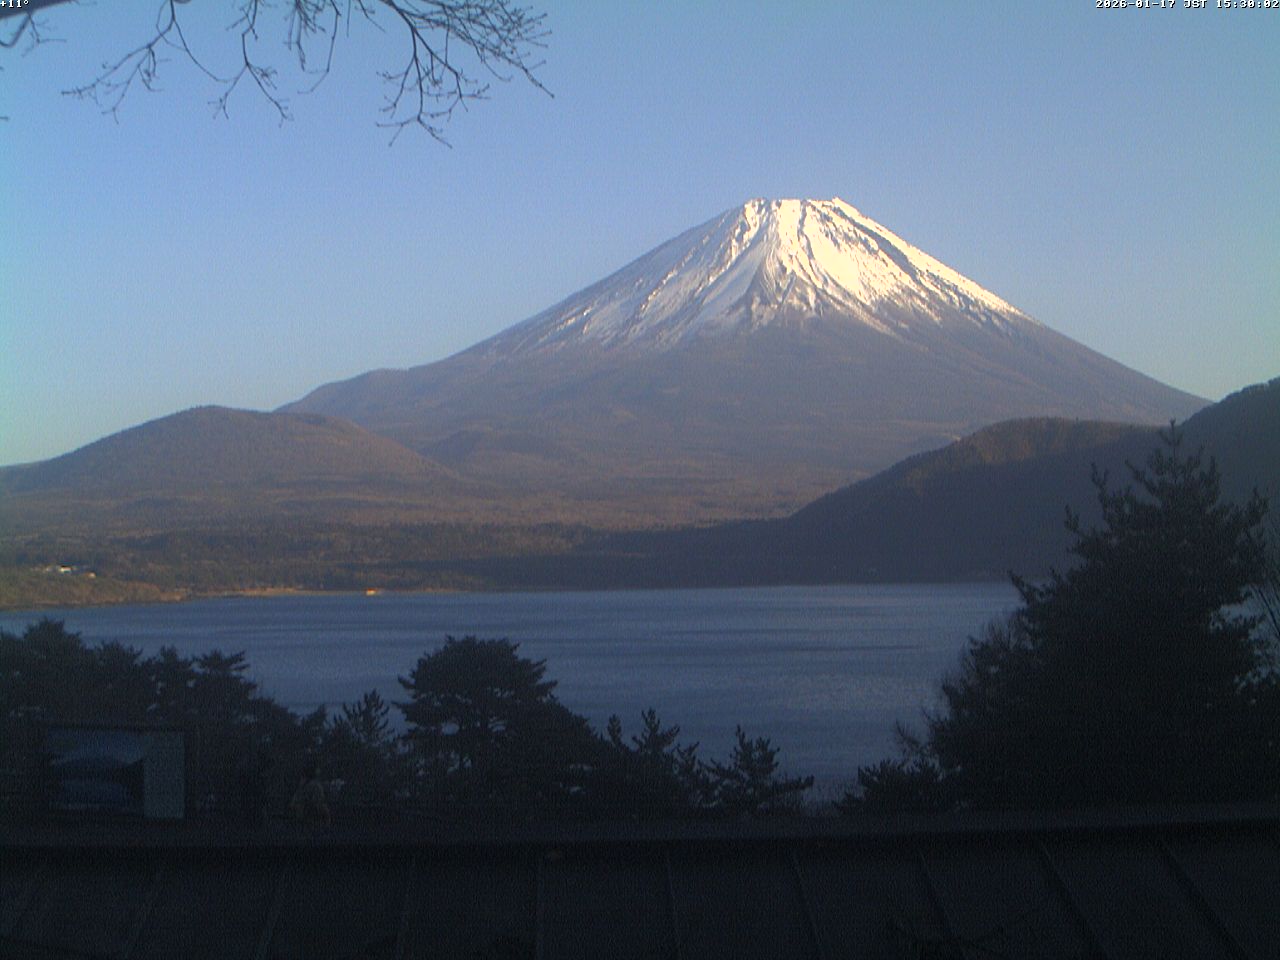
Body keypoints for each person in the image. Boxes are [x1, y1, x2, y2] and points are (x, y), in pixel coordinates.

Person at [288, 760, 331, 827]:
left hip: (300, 822)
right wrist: (327, 819)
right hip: (312, 823)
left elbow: (293, 804)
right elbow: (320, 804)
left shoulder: (301, 785)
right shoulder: (315, 786)